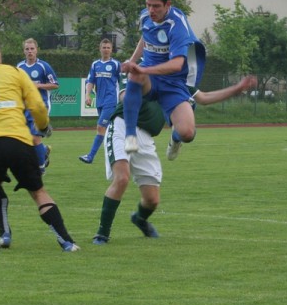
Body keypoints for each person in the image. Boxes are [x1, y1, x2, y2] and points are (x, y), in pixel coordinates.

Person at [93, 76, 257, 245]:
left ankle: (140, 219)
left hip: (147, 137)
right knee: (122, 178)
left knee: (152, 200)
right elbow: (124, 96)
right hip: (124, 127)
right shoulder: (144, 68)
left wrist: (237, 88)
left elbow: (204, 98)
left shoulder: (178, 82)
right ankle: (102, 234)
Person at [0, 32, 79, 252]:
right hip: (16, 139)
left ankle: (4, 234)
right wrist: (44, 127)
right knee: (38, 192)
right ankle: (66, 241)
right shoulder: (14, 72)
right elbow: (37, 106)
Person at [121, 0, 206, 161]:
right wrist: (133, 61)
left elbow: (176, 64)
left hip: (173, 81)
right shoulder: (145, 17)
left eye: (156, 6)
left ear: (168, 5)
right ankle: (130, 137)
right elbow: (145, 38)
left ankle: (175, 139)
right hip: (149, 77)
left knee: (187, 133)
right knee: (134, 77)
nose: (151, 10)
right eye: (148, 5)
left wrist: (144, 68)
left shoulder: (177, 25)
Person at [16, 38, 58, 172]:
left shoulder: (44, 66)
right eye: (27, 49)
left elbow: (55, 84)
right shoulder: (19, 67)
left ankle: (41, 170)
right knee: (26, 140)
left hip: (40, 106)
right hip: (25, 108)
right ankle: (44, 151)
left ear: (36, 50)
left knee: (35, 138)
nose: (30, 51)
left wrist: (38, 85)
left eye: (32, 49)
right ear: (24, 51)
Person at [79, 38, 121, 164]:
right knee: (109, 130)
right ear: (100, 49)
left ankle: (90, 156)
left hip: (111, 100)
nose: (106, 50)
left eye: (108, 47)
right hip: (100, 101)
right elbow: (90, 81)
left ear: (111, 49)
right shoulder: (95, 64)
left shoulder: (116, 64)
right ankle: (120, 154)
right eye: (104, 47)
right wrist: (87, 95)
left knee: (100, 126)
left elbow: (124, 82)